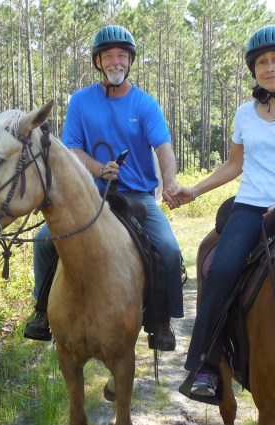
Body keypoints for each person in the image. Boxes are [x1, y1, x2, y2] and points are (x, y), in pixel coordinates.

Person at [167, 25, 275, 400]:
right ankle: (206, 365)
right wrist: (195, 189)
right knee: (221, 270)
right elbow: (234, 165)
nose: (270, 67)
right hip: (250, 207)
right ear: (253, 70)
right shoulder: (244, 114)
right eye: (262, 62)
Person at [23, 25, 184, 351]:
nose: (115, 62)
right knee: (43, 241)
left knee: (169, 249)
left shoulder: (145, 104)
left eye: (121, 56)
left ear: (129, 62)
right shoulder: (81, 102)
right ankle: (42, 312)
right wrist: (99, 168)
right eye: (108, 56)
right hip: (90, 194)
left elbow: (163, 148)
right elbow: (72, 150)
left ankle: (160, 320)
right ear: (98, 62)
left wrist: (170, 182)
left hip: (138, 194)